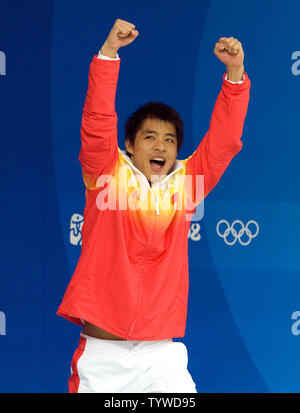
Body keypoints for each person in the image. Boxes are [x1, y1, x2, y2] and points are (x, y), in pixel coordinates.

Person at [57, 18, 251, 393]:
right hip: (103, 356)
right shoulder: (105, 174)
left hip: (160, 357)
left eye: (169, 140)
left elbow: (223, 143)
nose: (161, 146)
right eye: (150, 137)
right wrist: (108, 54)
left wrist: (235, 75)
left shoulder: (187, 184)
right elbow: (96, 122)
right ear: (129, 144)